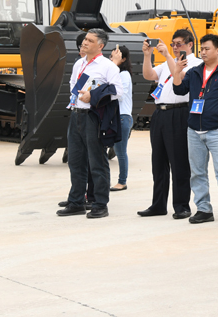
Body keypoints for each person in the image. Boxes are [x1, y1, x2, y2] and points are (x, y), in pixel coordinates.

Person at [170, 34, 218, 227]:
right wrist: (177, 71)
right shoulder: (194, 72)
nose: (203, 52)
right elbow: (179, 90)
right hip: (194, 130)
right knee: (197, 172)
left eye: (207, 49)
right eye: (201, 49)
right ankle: (203, 209)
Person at [57, 29, 125, 219]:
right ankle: (76, 202)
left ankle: (100, 204)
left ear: (100, 46)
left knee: (97, 161)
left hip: (93, 116)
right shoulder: (79, 63)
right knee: (75, 161)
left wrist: (92, 96)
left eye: (90, 40)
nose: (84, 42)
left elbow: (118, 91)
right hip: (76, 114)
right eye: (85, 39)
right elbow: (72, 84)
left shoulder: (108, 66)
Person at [138, 30, 202, 219]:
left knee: (179, 161)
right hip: (160, 113)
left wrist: (167, 55)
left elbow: (180, 76)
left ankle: (181, 205)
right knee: (158, 161)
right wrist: (147, 56)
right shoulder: (167, 63)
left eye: (179, 44)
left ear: (190, 44)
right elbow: (149, 75)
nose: (175, 47)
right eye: (173, 44)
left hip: (179, 112)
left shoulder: (195, 63)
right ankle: (158, 204)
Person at [109, 45, 133, 192]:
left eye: (114, 56)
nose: (111, 59)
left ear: (123, 59)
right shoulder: (114, 73)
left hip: (122, 117)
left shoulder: (123, 75)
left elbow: (120, 95)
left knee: (120, 151)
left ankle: (122, 181)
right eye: (111, 56)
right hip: (113, 117)